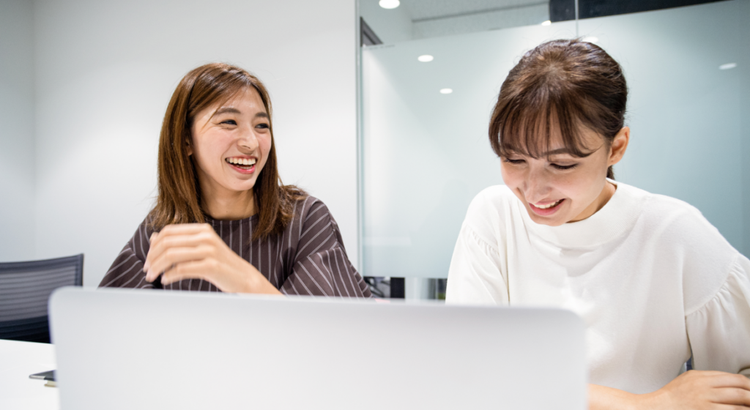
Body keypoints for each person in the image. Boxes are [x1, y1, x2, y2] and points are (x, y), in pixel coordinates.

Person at [446, 39, 750, 409]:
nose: (533, 189)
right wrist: (646, 405)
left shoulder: (674, 233)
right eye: (514, 159)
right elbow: (471, 370)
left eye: (561, 164)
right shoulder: (494, 215)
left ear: (616, 147)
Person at [100, 63, 371, 298]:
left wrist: (240, 277)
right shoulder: (161, 227)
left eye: (261, 126)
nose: (251, 142)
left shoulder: (305, 220)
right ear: (185, 140)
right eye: (229, 122)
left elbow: (337, 335)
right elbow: (108, 326)